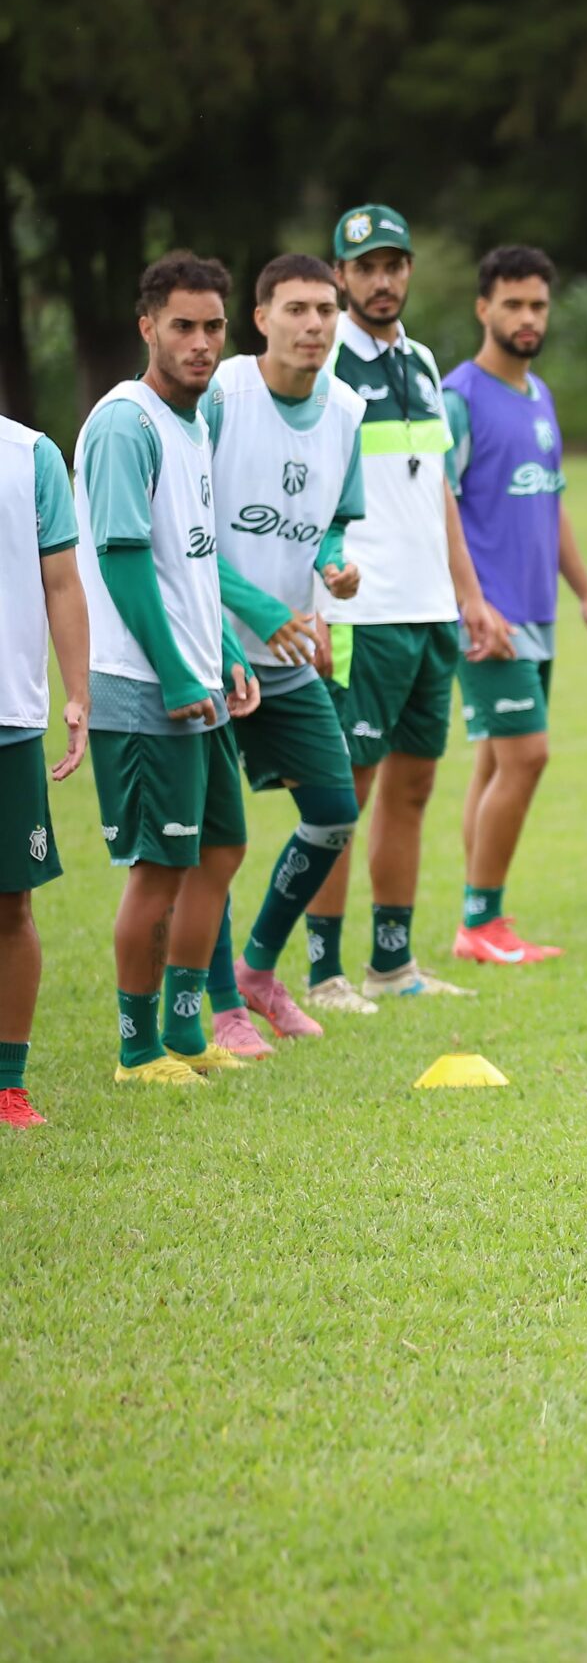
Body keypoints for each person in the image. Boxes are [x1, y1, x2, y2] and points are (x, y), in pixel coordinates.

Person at [305, 203, 511, 1006]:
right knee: (342, 794)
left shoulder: (423, 361)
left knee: (414, 789)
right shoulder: (323, 366)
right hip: (360, 614)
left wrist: (470, 594)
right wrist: (314, 598)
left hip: (429, 613)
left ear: (408, 272)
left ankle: (391, 963)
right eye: (365, 268)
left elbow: (441, 496)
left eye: (394, 266)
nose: (382, 281)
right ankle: (323, 971)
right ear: (341, 277)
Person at [72, 251, 262, 1084]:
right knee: (159, 869)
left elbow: (194, 558)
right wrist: (180, 674)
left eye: (213, 327)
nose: (200, 343)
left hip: (196, 679)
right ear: (146, 325)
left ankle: (187, 1033)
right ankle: (136, 1049)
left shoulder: (198, 417)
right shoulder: (127, 424)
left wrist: (221, 651)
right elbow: (121, 562)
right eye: (182, 326)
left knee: (220, 850)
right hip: (144, 688)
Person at [204, 253, 368, 1054]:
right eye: (296, 309)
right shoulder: (221, 397)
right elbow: (183, 531)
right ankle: (220, 1008)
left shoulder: (345, 407)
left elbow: (338, 515)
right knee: (218, 837)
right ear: (260, 318)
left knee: (335, 811)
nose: (314, 324)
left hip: (289, 649)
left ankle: (258, 972)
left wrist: (334, 565)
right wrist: (262, 610)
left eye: (325, 310)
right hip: (203, 650)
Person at [443, 245, 587, 964]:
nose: (527, 318)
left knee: (497, 762)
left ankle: (481, 915)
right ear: (483, 308)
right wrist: (471, 602)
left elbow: (550, 506)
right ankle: (479, 924)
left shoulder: (539, 396)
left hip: (539, 612)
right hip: (490, 617)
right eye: (512, 304)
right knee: (526, 757)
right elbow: (438, 505)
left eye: (538, 305)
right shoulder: (458, 398)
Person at [0, 409, 90, 1126]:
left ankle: (8, 1082)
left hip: (9, 716)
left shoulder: (31, 455)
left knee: (11, 904)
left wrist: (78, 691)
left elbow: (62, 582)